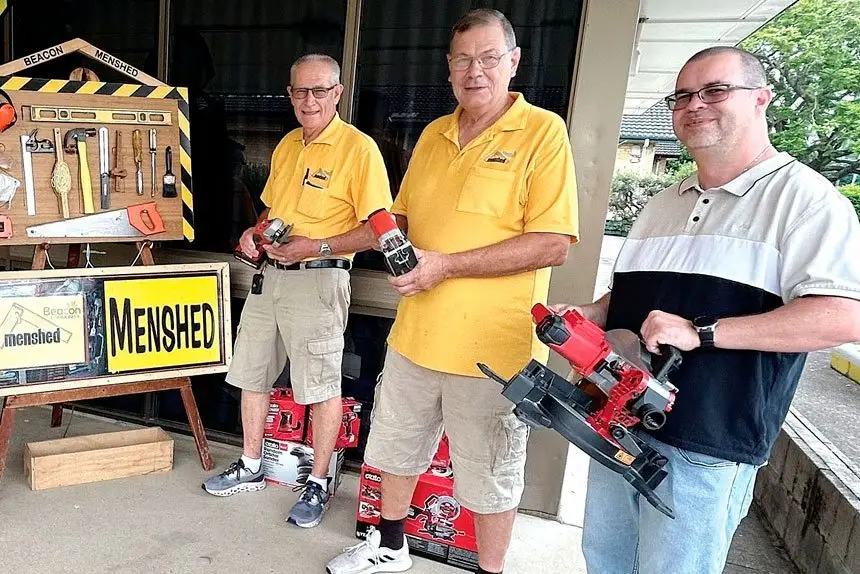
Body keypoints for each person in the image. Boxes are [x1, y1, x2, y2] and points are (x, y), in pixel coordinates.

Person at [562, 46, 860, 573]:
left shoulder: (807, 201)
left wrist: (704, 331)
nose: (695, 104)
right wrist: (590, 313)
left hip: (709, 443)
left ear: (762, 99)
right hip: (620, 422)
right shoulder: (663, 203)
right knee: (605, 562)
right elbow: (633, 301)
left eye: (715, 90)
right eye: (683, 96)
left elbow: (842, 316)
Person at [326, 9, 578, 574]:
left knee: (489, 473)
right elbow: (401, 220)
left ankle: (491, 571)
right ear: (448, 68)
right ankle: (389, 547)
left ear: (513, 62)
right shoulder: (435, 134)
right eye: (463, 59)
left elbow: (553, 243)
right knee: (394, 449)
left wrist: (446, 266)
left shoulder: (543, 132)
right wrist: (330, 244)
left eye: (489, 57)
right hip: (416, 334)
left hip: (493, 350)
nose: (476, 71)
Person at [202, 54, 393, 530]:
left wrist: (318, 244)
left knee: (321, 386)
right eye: (300, 91)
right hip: (273, 279)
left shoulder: (359, 149)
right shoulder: (287, 144)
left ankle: (320, 480)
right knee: (252, 372)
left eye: (320, 91)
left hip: (321, 279)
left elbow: (379, 228)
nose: (309, 101)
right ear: (289, 94)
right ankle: (250, 465)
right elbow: (272, 212)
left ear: (338, 92)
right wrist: (254, 234)